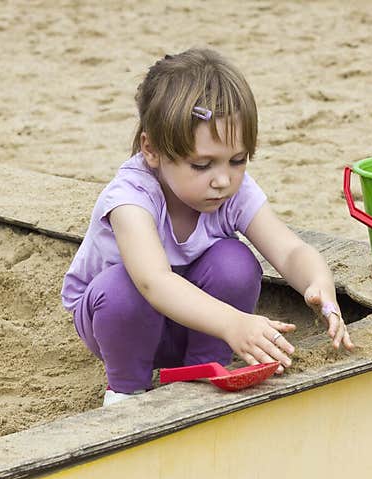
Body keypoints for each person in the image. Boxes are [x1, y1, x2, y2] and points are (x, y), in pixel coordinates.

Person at [61, 48, 353, 406]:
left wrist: (319, 284)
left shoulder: (232, 189)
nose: (222, 180)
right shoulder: (131, 198)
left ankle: (202, 370)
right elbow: (154, 282)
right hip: (119, 325)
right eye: (202, 165)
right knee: (126, 287)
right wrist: (233, 323)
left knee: (235, 261)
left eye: (237, 160)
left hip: (197, 323)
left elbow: (289, 249)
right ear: (152, 150)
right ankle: (126, 391)